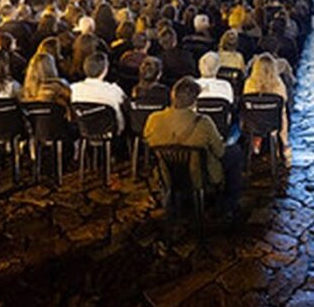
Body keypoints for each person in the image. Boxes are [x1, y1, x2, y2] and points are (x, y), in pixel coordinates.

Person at [143, 78, 244, 220]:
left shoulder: (153, 119)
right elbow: (220, 152)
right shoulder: (204, 122)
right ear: (195, 101)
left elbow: (148, 140)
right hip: (200, 175)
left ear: (173, 96)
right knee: (235, 153)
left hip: (166, 174)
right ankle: (228, 205)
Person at [244, 53, 291, 162]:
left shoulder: (249, 83)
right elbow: (284, 102)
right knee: (283, 112)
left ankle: (256, 142)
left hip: (254, 123)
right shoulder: (279, 85)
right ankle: (284, 145)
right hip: (274, 123)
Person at [71, 52, 127, 133]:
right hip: (111, 133)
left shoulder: (74, 89)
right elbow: (123, 114)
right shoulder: (114, 90)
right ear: (105, 70)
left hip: (82, 132)